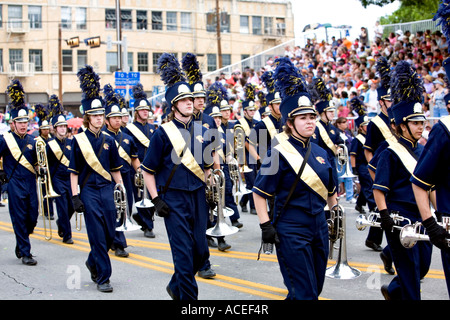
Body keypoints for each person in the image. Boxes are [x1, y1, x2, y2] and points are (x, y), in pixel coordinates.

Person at [253, 58, 337, 300]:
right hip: (290, 228)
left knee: (314, 288)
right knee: (304, 293)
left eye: (312, 117)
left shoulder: (321, 153)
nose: (310, 121)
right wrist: (265, 225)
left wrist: (334, 215)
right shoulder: (277, 152)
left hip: (319, 226)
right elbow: (260, 193)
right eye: (303, 118)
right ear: (289, 123)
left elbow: (331, 190)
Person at [142, 53, 215, 300]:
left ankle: (175, 287)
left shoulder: (201, 130)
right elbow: (147, 170)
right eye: (183, 100)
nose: (189, 103)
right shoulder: (162, 134)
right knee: (183, 255)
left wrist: (212, 187)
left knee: (201, 252)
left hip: (197, 196)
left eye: (190, 99)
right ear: (174, 105)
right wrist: (156, 200)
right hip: (172, 200)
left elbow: (206, 167)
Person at [373, 61, 432, 300]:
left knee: (423, 266)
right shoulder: (390, 152)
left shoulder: (423, 151)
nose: (421, 127)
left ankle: (394, 290)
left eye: (422, 122)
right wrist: (385, 214)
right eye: (416, 123)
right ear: (402, 126)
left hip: (422, 216)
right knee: (409, 270)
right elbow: (379, 188)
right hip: (400, 217)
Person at [69, 66, 123, 293]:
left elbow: (115, 169)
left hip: (107, 190)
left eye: (102, 115)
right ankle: (103, 277)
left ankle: (92, 262)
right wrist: (75, 196)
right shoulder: (78, 141)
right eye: (95, 116)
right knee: (98, 237)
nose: (99, 118)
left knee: (110, 233)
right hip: (89, 192)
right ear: (88, 118)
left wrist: (122, 190)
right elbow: (73, 172)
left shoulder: (110, 139)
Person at [0, 80, 39, 265]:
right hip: (15, 183)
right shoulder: (5, 140)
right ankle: (25, 252)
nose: (23, 125)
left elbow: (38, 163)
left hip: (31, 182)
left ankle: (22, 241)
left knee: (32, 216)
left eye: (25, 121)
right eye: (19, 122)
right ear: (13, 123)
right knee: (19, 217)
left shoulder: (34, 140)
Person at [103, 84, 142, 258]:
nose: (118, 120)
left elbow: (134, 158)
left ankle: (115, 238)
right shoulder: (102, 137)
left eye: (120, 117)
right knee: (113, 209)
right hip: (107, 179)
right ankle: (119, 243)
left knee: (125, 207)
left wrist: (139, 171)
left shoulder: (127, 138)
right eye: (114, 117)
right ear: (107, 120)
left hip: (126, 177)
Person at [122, 83, 157, 238]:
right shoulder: (129, 129)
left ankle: (143, 219)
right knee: (140, 197)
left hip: (151, 167)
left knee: (153, 196)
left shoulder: (152, 128)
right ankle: (148, 226)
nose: (145, 112)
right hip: (135, 168)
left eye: (147, 110)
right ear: (136, 112)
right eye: (142, 110)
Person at [46, 94, 74, 244]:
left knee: (71, 206)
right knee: (62, 206)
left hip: (70, 178)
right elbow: (47, 165)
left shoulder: (72, 142)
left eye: (64, 126)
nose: (63, 129)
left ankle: (61, 223)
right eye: (60, 127)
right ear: (55, 129)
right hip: (57, 178)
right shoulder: (50, 145)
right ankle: (67, 235)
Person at [235, 83, 259, 215]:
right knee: (252, 182)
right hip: (246, 156)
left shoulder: (256, 123)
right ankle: (253, 206)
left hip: (255, 154)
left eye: (253, 110)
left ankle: (243, 201)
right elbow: (240, 142)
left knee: (253, 182)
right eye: (250, 110)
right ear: (244, 111)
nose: (252, 112)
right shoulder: (240, 123)